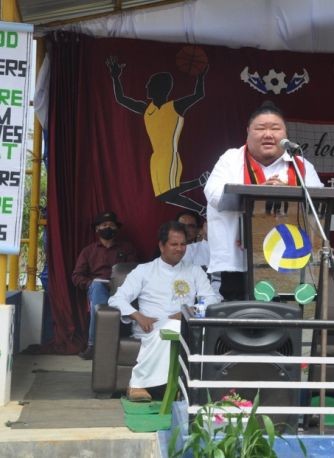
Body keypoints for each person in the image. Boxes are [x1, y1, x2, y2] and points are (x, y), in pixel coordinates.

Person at [204, 101, 323, 300]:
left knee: (285, 321)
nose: (268, 134)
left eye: (275, 128)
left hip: (290, 261)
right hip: (239, 262)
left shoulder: (300, 165)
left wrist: (289, 193)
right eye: (261, 128)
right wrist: (259, 193)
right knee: (240, 322)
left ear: (285, 134)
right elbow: (214, 195)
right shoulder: (230, 160)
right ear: (248, 131)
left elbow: (318, 206)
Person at [109, 221, 220, 402]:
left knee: (175, 327)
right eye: (174, 244)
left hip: (183, 326)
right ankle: (156, 386)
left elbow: (211, 300)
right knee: (171, 329)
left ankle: (138, 384)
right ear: (161, 246)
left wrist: (188, 312)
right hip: (150, 327)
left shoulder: (195, 271)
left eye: (183, 244)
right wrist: (138, 315)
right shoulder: (144, 271)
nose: (179, 249)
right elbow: (116, 299)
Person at [106, 56, 209, 214]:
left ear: (159, 88)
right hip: (156, 158)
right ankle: (201, 202)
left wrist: (201, 77)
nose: (146, 86)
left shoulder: (175, 107)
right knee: (163, 197)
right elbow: (121, 99)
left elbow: (198, 95)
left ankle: (199, 182)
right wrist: (115, 77)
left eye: (150, 84)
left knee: (167, 193)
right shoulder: (147, 109)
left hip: (170, 156)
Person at [72, 211, 137, 360]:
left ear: (117, 229)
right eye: (104, 225)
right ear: (97, 229)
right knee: (98, 289)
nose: (108, 228)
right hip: (97, 289)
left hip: (122, 288)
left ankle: (107, 345)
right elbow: (76, 276)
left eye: (112, 225)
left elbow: (135, 272)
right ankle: (94, 345)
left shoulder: (127, 248)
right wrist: (91, 283)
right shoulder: (88, 251)